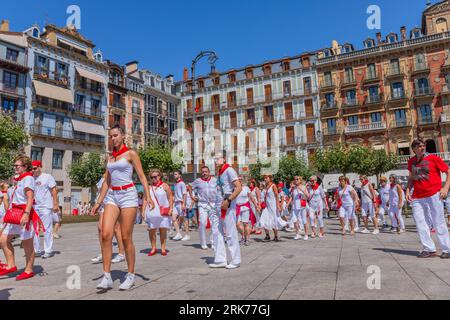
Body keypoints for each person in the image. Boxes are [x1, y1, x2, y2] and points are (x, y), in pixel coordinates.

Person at [92, 124, 154, 290]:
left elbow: (141, 176)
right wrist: (98, 202)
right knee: (105, 233)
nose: (113, 139)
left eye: (115, 135)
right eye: (111, 136)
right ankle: (106, 276)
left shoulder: (131, 154)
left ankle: (131, 275)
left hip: (128, 196)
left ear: (123, 135)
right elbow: (107, 181)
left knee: (126, 237)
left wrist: (148, 196)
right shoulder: (110, 158)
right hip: (112, 195)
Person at [0, 156, 44, 280]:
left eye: (17, 165)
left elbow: (30, 197)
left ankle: (29, 270)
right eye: (14, 165)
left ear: (25, 166)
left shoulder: (28, 178)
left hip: (24, 213)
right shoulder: (20, 179)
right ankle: (11, 265)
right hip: (15, 213)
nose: (15, 167)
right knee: (3, 240)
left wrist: (26, 213)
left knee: (27, 243)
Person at [406, 139, 450, 259]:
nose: (422, 147)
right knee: (420, 223)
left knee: (438, 221)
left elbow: (448, 172)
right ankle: (429, 249)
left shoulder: (433, 158)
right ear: (413, 149)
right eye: (419, 146)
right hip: (418, 197)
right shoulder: (411, 162)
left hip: (433, 194)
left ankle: (447, 249)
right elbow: (411, 178)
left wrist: (445, 188)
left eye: (423, 145)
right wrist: (408, 190)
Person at [208, 154, 242, 269]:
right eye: (215, 159)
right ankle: (220, 259)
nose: (216, 161)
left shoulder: (229, 170)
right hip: (218, 205)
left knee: (230, 231)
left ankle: (236, 260)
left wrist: (228, 200)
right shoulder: (219, 172)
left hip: (227, 204)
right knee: (217, 232)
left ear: (224, 159)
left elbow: (238, 187)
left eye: (218, 158)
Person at [91, 176, 126, 265]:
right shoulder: (104, 176)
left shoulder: (115, 172)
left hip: (113, 202)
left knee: (116, 228)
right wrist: (97, 203)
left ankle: (121, 254)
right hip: (103, 203)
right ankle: (104, 253)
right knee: (100, 228)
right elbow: (100, 191)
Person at [31, 161, 59, 259]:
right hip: (35, 207)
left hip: (46, 206)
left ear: (39, 167)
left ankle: (48, 250)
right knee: (34, 229)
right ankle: (37, 250)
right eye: (31, 169)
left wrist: (55, 204)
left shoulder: (47, 177)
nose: (33, 170)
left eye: (34, 168)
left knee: (47, 229)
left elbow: (54, 190)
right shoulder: (31, 179)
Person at [145, 169, 173, 256]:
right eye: (151, 177)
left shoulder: (165, 186)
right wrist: (142, 211)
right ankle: (153, 248)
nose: (153, 178)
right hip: (152, 211)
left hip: (163, 211)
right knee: (152, 230)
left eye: (155, 176)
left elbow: (170, 198)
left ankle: (163, 248)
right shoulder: (149, 187)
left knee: (162, 229)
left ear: (159, 176)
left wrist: (171, 208)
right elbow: (145, 200)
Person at [192, 166, 218, 250]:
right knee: (202, 222)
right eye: (202, 172)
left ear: (209, 172)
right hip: (202, 204)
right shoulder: (197, 181)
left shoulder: (215, 180)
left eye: (206, 172)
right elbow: (190, 187)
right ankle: (203, 243)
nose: (204, 173)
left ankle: (213, 242)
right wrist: (193, 196)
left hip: (213, 204)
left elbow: (220, 188)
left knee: (214, 224)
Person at [258, 175, 285, 242]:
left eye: (266, 178)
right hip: (267, 206)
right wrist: (262, 205)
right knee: (263, 219)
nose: (265, 179)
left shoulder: (273, 186)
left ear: (270, 179)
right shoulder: (265, 187)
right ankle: (267, 235)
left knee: (274, 220)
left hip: (273, 206)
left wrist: (278, 206)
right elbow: (265, 197)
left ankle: (276, 236)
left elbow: (276, 196)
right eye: (264, 178)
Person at [235, 177, 258, 246]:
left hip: (245, 207)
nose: (240, 181)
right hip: (237, 207)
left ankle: (247, 239)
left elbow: (252, 197)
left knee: (246, 224)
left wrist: (256, 206)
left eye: (241, 180)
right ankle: (243, 236)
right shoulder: (234, 188)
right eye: (239, 180)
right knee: (237, 224)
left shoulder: (246, 188)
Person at [290, 176, 310, 240]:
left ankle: (306, 234)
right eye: (294, 179)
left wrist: (302, 190)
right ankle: (297, 234)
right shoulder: (294, 188)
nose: (295, 180)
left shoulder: (304, 187)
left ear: (300, 180)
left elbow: (308, 196)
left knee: (304, 221)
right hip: (295, 206)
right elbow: (292, 197)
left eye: (297, 179)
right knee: (294, 220)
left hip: (302, 205)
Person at [172, 170, 189, 241]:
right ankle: (178, 233)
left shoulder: (182, 183)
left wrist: (184, 204)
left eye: (176, 174)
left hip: (181, 203)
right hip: (175, 203)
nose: (174, 175)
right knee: (173, 218)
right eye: (174, 174)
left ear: (180, 175)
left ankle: (187, 235)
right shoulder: (175, 184)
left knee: (184, 220)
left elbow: (184, 194)